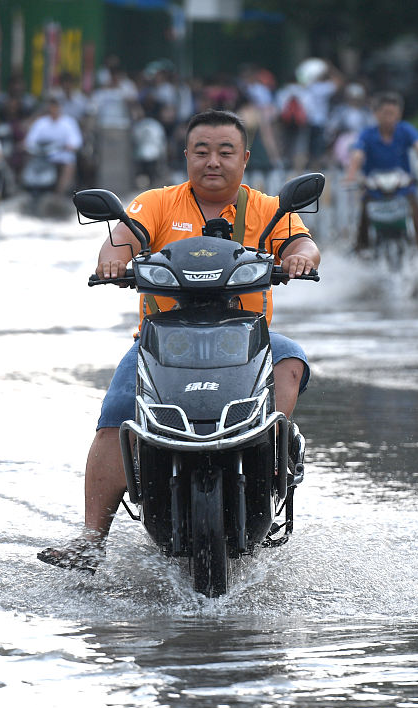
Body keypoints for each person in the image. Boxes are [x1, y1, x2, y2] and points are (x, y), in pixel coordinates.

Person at [37, 108, 322, 573]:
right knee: (117, 414)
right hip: (161, 342)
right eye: (202, 151)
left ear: (245, 158)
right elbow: (123, 239)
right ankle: (90, 539)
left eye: (225, 151)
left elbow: (302, 244)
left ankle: (271, 460)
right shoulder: (157, 203)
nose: (213, 161)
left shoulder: (267, 209)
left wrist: (300, 259)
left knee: (291, 359)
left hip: (245, 341)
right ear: (186, 155)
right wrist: (113, 260)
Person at [344, 91, 418, 248]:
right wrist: (351, 176)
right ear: (376, 114)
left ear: (399, 114)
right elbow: (357, 155)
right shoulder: (367, 134)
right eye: (385, 113)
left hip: (403, 189)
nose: (389, 117)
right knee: (362, 227)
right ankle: (362, 251)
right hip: (375, 191)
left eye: (393, 113)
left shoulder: (405, 130)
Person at [22, 96, 84, 196]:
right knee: (27, 160)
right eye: (52, 106)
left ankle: (59, 193)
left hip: (61, 154)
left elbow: (76, 141)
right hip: (43, 155)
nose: (54, 109)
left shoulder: (69, 122)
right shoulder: (41, 122)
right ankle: (27, 189)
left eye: (56, 106)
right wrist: (27, 146)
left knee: (69, 164)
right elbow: (30, 140)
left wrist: (68, 146)